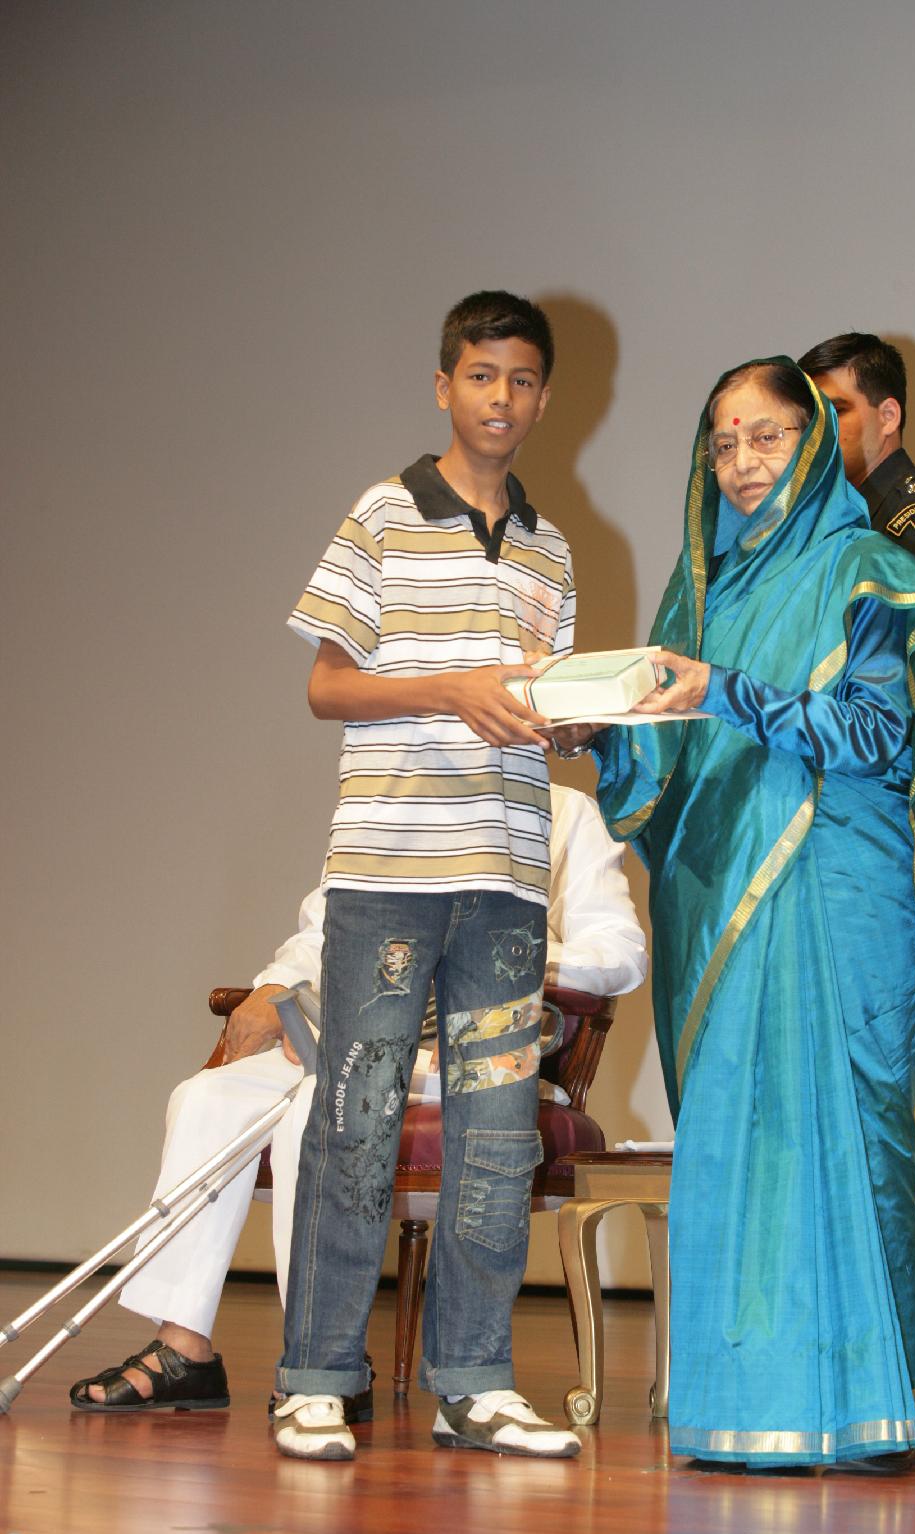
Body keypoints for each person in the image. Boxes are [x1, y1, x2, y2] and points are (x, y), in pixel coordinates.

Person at [567, 357, 915, 1471]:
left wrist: (725, 691)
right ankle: (746, 1405)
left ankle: (867, 1410)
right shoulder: (702, 595)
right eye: (722, 443)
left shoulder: (865, 568)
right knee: (744, 1135)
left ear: (814, 443)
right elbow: (666, 766)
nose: (740, 463)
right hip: (718, 893)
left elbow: (882, 739)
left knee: (843, 1127)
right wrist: (601, 732)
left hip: (834, 888)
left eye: (766, 437)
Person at [68, 786, 646, 1415]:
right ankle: (184, 1347)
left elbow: (620, 952)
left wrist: (479, 965)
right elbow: (323, 932)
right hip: (358, 1039)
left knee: (317, 1110)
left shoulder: (559, 812)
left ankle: (325, 1360)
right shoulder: (389, 799)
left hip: (477, 1057)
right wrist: (273, 987)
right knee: (206, 1097)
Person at [274, 290, 583, 1463]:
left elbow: (547, 708)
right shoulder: (383, 514)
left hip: (507, 879)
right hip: (390, 871)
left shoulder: (552, 549)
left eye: (521, 379)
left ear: (544, 398)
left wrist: (578, 721)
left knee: (497, 1137)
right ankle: (317, 1376)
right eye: (480, 375)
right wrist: (449, 690)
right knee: (354, 1122)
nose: (501, 398)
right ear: (444, 385)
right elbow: (327, 686)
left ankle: (475, 1380)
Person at [798, 333, 915, 1406]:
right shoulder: (836, 528)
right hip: (855, 840)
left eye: (836, 408)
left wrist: (901, 826)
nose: (820, 428)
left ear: (887, 417)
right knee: (862, 1077)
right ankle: (865, 1335)